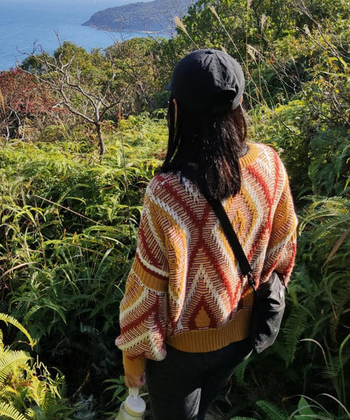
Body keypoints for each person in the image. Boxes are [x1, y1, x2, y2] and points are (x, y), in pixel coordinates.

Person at [115, 49, 298, 420]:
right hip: (244, 336)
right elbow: (284, 248)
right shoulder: (269, 165)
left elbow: (148, 285)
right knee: (205, 400)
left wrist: (132, 356)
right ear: (240, 101)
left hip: (182, 352)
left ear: (177, 108)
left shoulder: (168, 191)